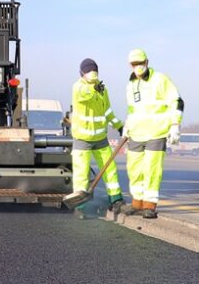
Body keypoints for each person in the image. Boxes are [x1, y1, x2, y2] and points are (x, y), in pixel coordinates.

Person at [121, 49, 183, 219]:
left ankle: (149, 204)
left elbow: (177, 101)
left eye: (141, 63)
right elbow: (133, 109)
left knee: (151, 169)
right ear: (130, 65)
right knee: (133, 169)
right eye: (135, 64)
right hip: (136, 133)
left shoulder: (160, 79)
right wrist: (127, 125)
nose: (138, 67)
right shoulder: (131, 85)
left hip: (156, 133)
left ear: (147, 62)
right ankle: (137, 202)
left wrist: (175, 125)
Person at [67, 59, 125, 218]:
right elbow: (84, 95)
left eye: (93, 70)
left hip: (100, 138)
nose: (92, 73)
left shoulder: (102, 89)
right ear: (81, 74)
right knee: (81, 173)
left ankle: (116, 199)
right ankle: (80, 207)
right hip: (82, 139)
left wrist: (119, 126)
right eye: (89, 71)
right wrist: (94, 87)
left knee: (109, 169)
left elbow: (107, 112)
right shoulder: (78, 87)